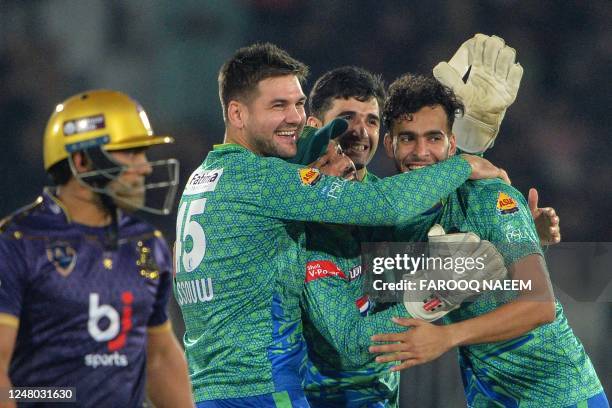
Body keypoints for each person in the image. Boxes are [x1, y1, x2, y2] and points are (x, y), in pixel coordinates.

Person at [174, 42, 507, 407]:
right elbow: (389, 207)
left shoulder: (205, 178)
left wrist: (510, 227)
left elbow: (416, 228)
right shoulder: (266, 180)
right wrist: (465, 163)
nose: (294, 117)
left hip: (218, 389)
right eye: (278, 105)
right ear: (236, 113)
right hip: (263, 389)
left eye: (298, 103)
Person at [297, 37, 560, 407]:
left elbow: (445, 224)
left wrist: (517, 233)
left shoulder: (396, 203)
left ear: (381, 139)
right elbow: (350, 342)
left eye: (371, 120)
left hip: (384, 397)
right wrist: (466, 159)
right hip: (309, 397)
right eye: (344, 121)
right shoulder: (293, 211)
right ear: (314, 126)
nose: (358, 132)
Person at [368, 73, 608, 408]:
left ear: (452, 144)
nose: (421, 152)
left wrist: (445, 337)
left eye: (433, 138)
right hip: (491, 398)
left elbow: (539, 307)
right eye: (407, 138)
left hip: (560, 394)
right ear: (389, 144)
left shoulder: (489, 197)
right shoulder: (391, 223)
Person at [0, 90, 193, 408]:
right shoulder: (18, 243)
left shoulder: (146, 246)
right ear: (81, 160)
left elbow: (158, 358)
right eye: (130, 153)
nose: (145, 167)